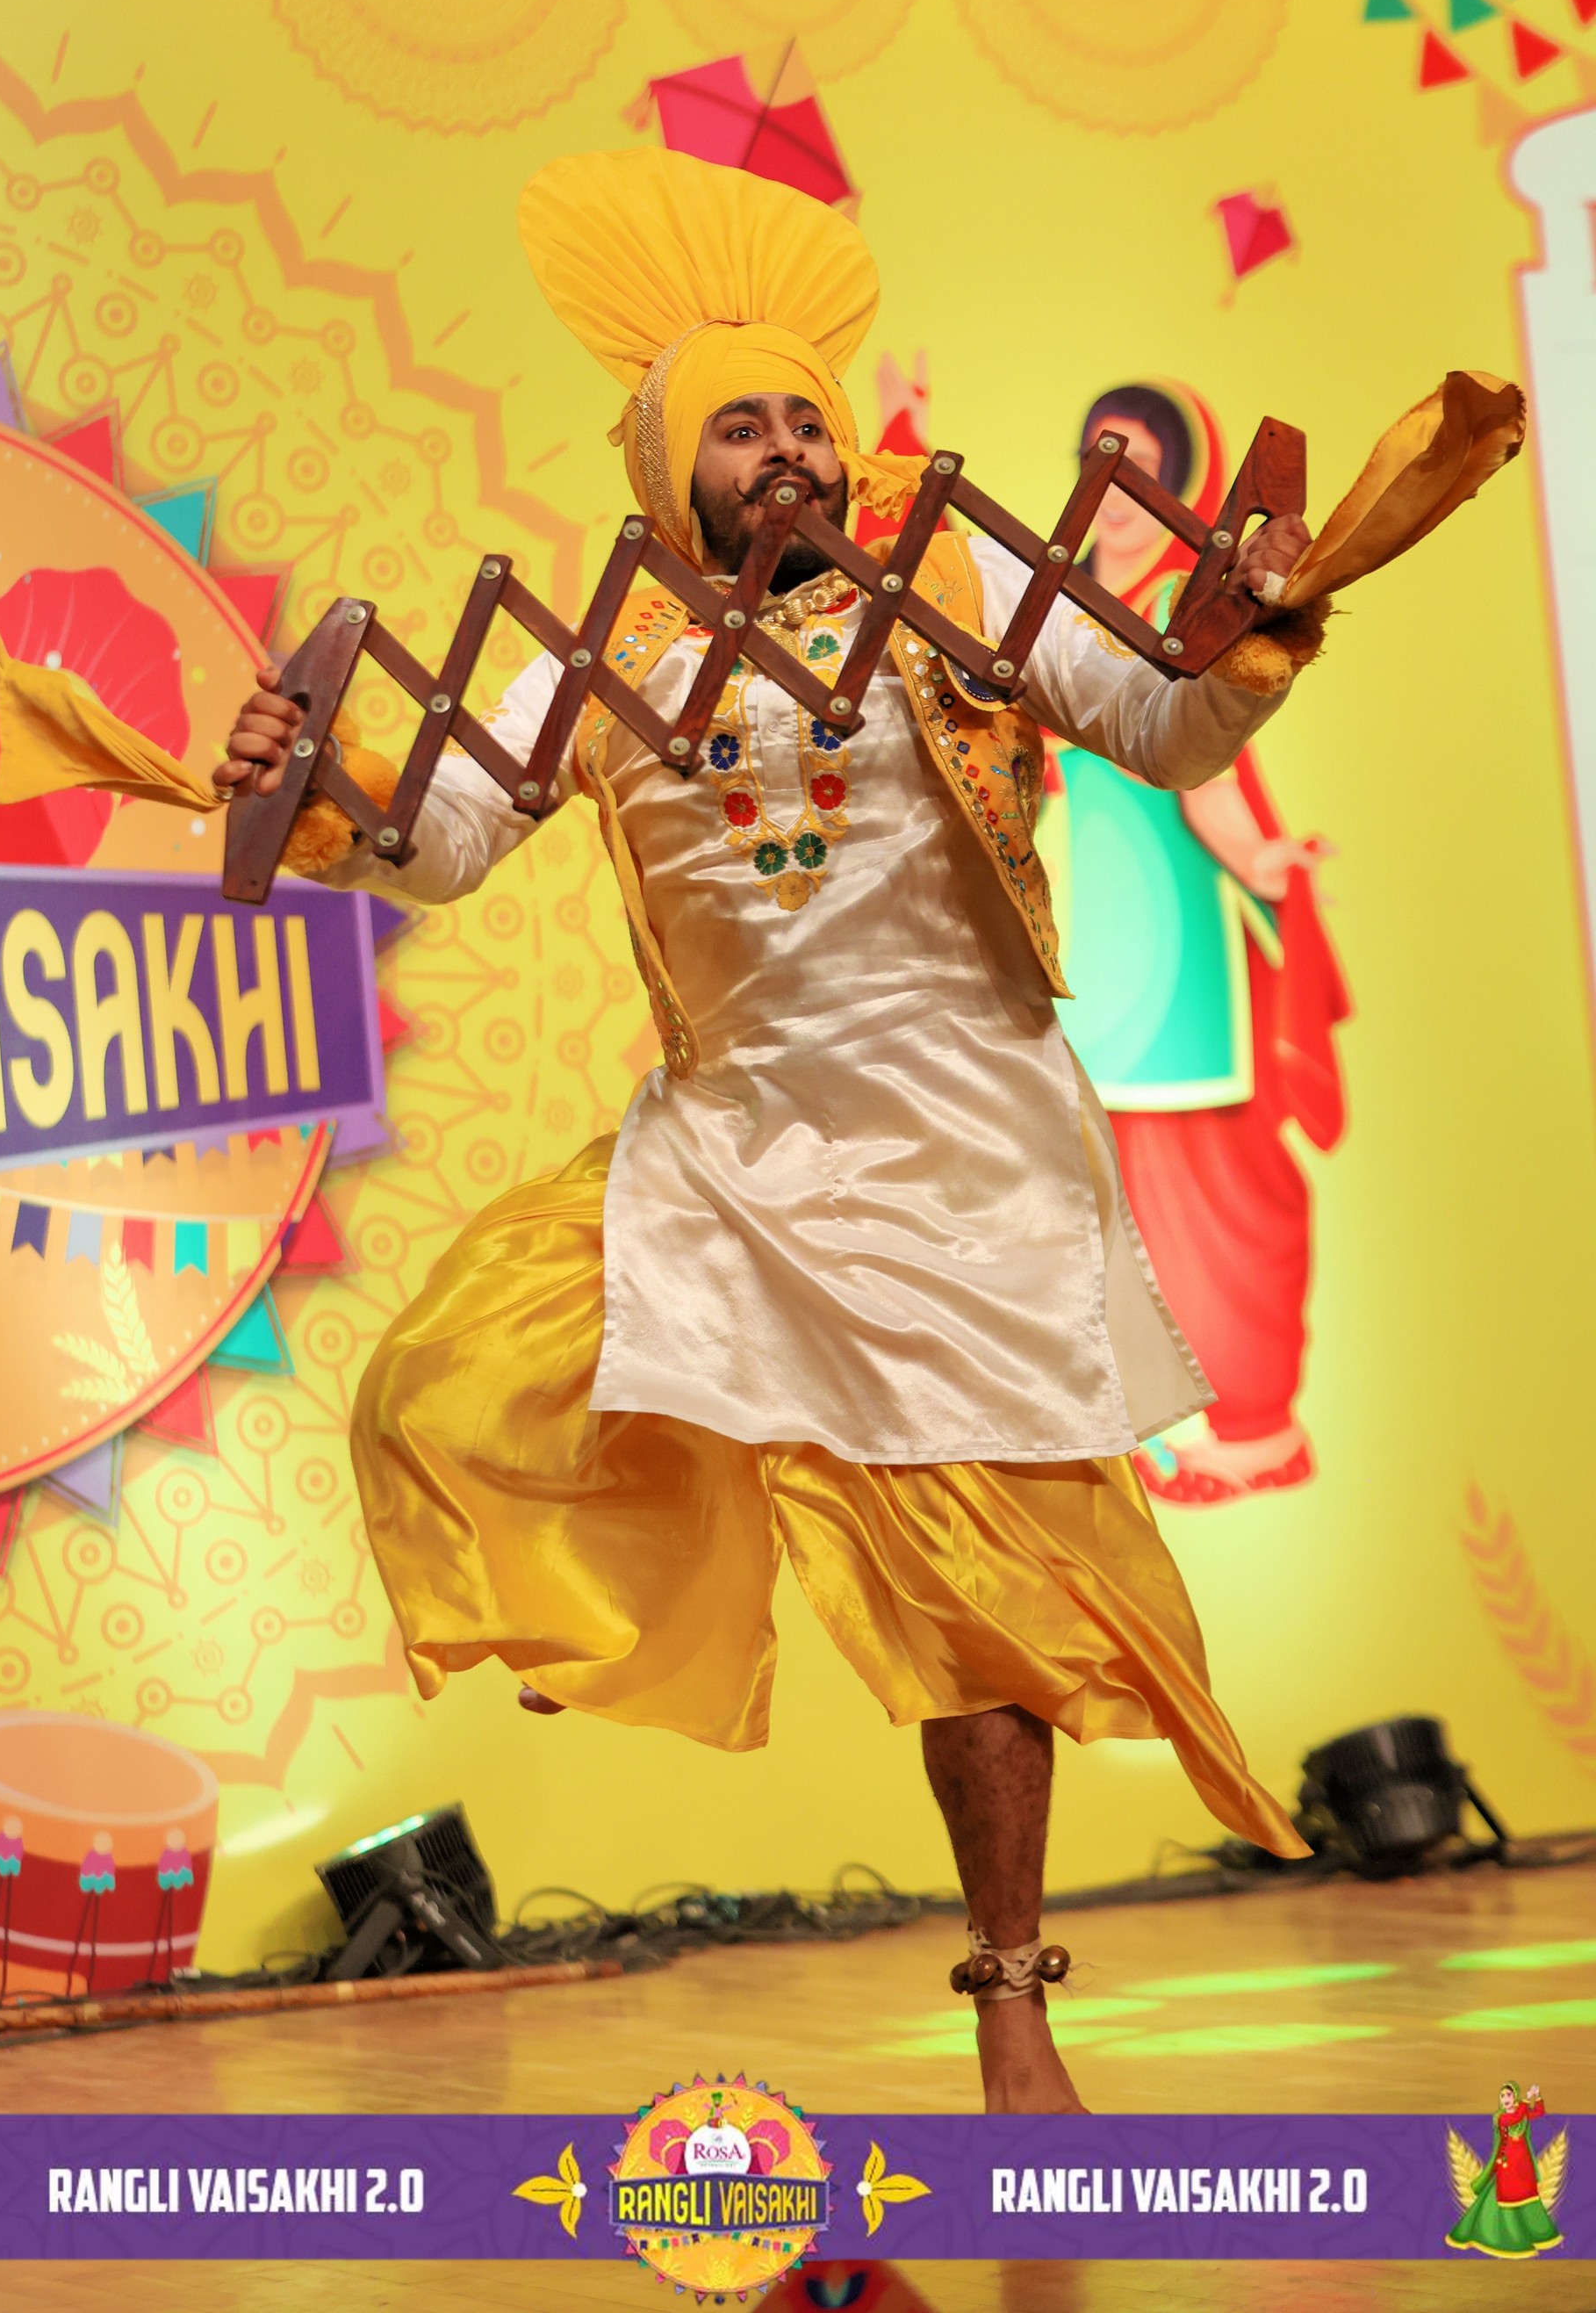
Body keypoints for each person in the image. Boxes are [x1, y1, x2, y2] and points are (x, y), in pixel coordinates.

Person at [216, 149, 1319, 2113]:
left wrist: (1240, 641)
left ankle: (1012, 1999)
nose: (792, 451)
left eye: (808, 417)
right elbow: (437, 839)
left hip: (970, 1163)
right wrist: (314, 784)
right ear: (671, 474)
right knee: (437, 1383)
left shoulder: (961, 586)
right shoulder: (600, 652)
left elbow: (1160, 727)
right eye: (743, 428)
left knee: (985, 1611)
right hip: (727, 1143)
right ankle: (595, 1607)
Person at [1056, 383, 1350, 1506]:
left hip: (1175, 932)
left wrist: (1260, 863)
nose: (1113, 491)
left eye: (1136, 466)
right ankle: (1155, 1421)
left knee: (1207, 1179)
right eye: (1098, 460)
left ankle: (1250, 1430)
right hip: (1093, 920)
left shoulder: (1193, 600)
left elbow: (1204, 767)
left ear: (1178, 480)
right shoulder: (1061, 600)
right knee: (1117, 1181)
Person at [1448, 2083, 1563, 2257]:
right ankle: (1506, 2236)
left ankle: (1536, 2232)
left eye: (1508, 2095)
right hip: (1507, 2164)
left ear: (1514, 2096)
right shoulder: (1500, 2117)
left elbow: (1538, 2113)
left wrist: (1537, 2097)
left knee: (1527, 2194)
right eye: (1502, 2096)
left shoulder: (1522, 2114)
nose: (1505, 2099)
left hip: (1523, 2165)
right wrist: (1526, 2100)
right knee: (1506, 2195)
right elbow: (1514, 2119)